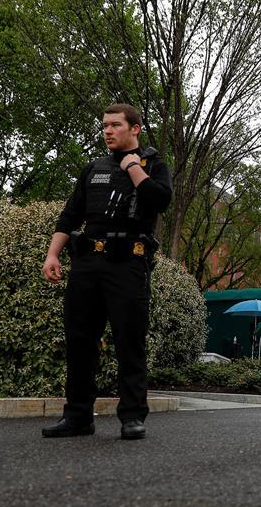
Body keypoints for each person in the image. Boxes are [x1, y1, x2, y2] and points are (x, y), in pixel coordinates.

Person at [41, 103, 172, 440]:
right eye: (104, 126)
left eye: (115, 125)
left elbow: (159, 201)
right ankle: (78, 418)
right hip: (87, 264)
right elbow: (70, 215)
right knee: (80, 342)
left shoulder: (154, 165)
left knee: (130, 342)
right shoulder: (93, 168)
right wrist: (52, 254)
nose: (108, 131)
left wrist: (134, 168)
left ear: (135, 129)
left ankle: (132, 417)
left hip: (127, 264)